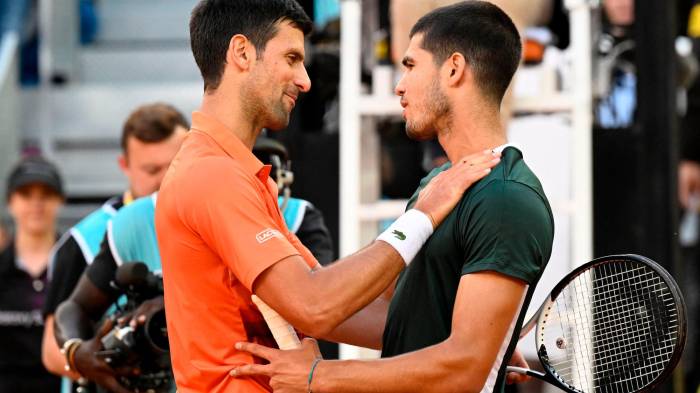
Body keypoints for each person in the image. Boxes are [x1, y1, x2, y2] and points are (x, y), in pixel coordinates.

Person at [155, 1, 500, 392]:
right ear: (241, 52)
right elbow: (314, 306)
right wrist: (421, 217)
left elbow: (336, 308)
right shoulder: (212, 174)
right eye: (291, 58)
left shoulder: (235, 172)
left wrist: (485, 340)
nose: (304, 80)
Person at [230, 2, 554, 393]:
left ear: (454, 69)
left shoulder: (505, 198)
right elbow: (391, 316)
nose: (398, 85)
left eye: (411, 66)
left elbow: (464, 369)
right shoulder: (437, 186)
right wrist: (285, 299)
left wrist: (319, 376)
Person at [52, 138, 335, 393]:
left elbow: (318, 309)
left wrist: (176, 305)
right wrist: (77, 353)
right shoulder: (133, 220)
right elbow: (74, 307)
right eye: (152, 169)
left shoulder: (294, 217)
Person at [41, 103, 189, 392]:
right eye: (151, 169)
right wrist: (114, 366)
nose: (163, 180)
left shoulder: (203, 219)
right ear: (124, 166)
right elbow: (51, 350)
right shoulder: (85, 239)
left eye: (173, 165)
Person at [0, 156, 65, 392]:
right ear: (10, 202)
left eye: (46, 195)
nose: (36, 204)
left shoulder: (77, 266)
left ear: (60, 201)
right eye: (26, 195)